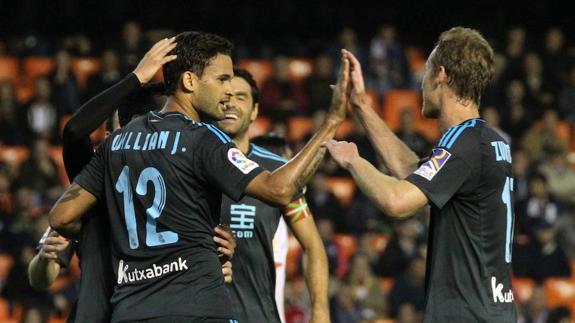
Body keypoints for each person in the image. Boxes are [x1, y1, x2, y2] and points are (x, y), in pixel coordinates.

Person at [48, 31, 349, 322]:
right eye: (222, 79)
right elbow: (280, 189)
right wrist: (332, 121)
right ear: (190, 81)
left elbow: (61, 216)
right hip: (196, 305)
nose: (229, 90)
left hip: (131, 309)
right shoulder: (204, 139)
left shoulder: (117, 142)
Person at [28, 38, 235, 322]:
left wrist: (219, 260)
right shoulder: (94, 185)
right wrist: (136, 78)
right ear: (113, 137)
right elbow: (75, 132)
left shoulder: (182, 190)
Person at [326, 27, 517, 322]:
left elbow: (397, 201)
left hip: (466, 314)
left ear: (441, 74)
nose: (422, 85)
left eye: (425, 73)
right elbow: (413, 172)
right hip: (492, 310)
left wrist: (354, 161)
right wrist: (362, 106)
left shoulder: (463, 142)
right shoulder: (488, 140)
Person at [215, 69, 329, 323]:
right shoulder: (188, 163)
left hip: (257, 315)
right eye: (225, 96)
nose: (231, 103)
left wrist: (320, 312)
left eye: (241, 97)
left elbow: (312, 244)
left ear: (255, 111)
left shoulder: (279, 171)